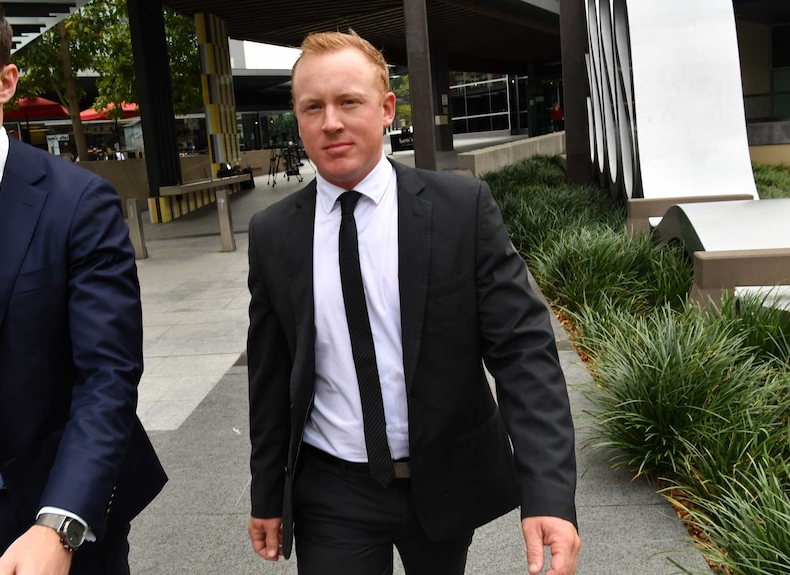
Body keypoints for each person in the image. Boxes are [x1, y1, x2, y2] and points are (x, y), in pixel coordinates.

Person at [246, 30, 580, 575]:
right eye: (313, 107)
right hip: (332, 488)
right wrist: (266, 491)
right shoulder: (273, 233)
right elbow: (270, 374)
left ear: (386, 109)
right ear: (299, 118)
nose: (331, 122)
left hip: (445, 479)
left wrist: (548, 493)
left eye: (348, 102)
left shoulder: (459, 210)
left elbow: (523, 351)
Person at [0, 1, 166, 573]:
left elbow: (108, 375)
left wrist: (61, 521)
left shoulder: (76, 202)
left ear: (5, 81)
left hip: (63, 501)